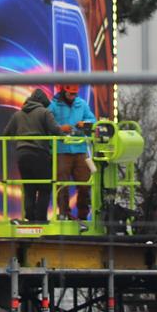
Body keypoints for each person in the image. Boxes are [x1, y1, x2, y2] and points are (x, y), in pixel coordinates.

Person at [1, 87, 63, 222]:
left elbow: (6, 133)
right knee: (45, 187)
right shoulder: (44, 112)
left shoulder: (17, 115)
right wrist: (65, 135)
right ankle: (40, 219)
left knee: (29, 187)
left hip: (22, 154)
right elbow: (55, 130)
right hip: (40, 153)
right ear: (42, 102)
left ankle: (29, 217)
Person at [48, 83, 96, 220]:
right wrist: (60, 128)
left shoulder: (82, 104)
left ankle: (83, 216)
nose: (73, 96)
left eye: (75, 94)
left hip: (80, 149)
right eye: (71, 93)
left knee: (85, 184)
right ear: (64, 91)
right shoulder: (53, 106)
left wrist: (85, 123)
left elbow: (93, 120)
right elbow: (47, 123)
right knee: (62, 185)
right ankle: (64, 214)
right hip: (61, 150)